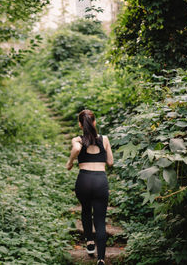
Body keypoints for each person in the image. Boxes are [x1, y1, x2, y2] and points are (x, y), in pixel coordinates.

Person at [66, 109, 114, 265]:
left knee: (86, 210)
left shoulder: (77, 140)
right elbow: (111, 162)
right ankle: (101, 258)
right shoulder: (104, 139)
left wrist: (70, 162)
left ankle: (89, 243)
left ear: (80, 124)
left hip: (84, 180)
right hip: (100, 180)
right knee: (100, 220)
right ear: (95, 122)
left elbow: (77, 150)